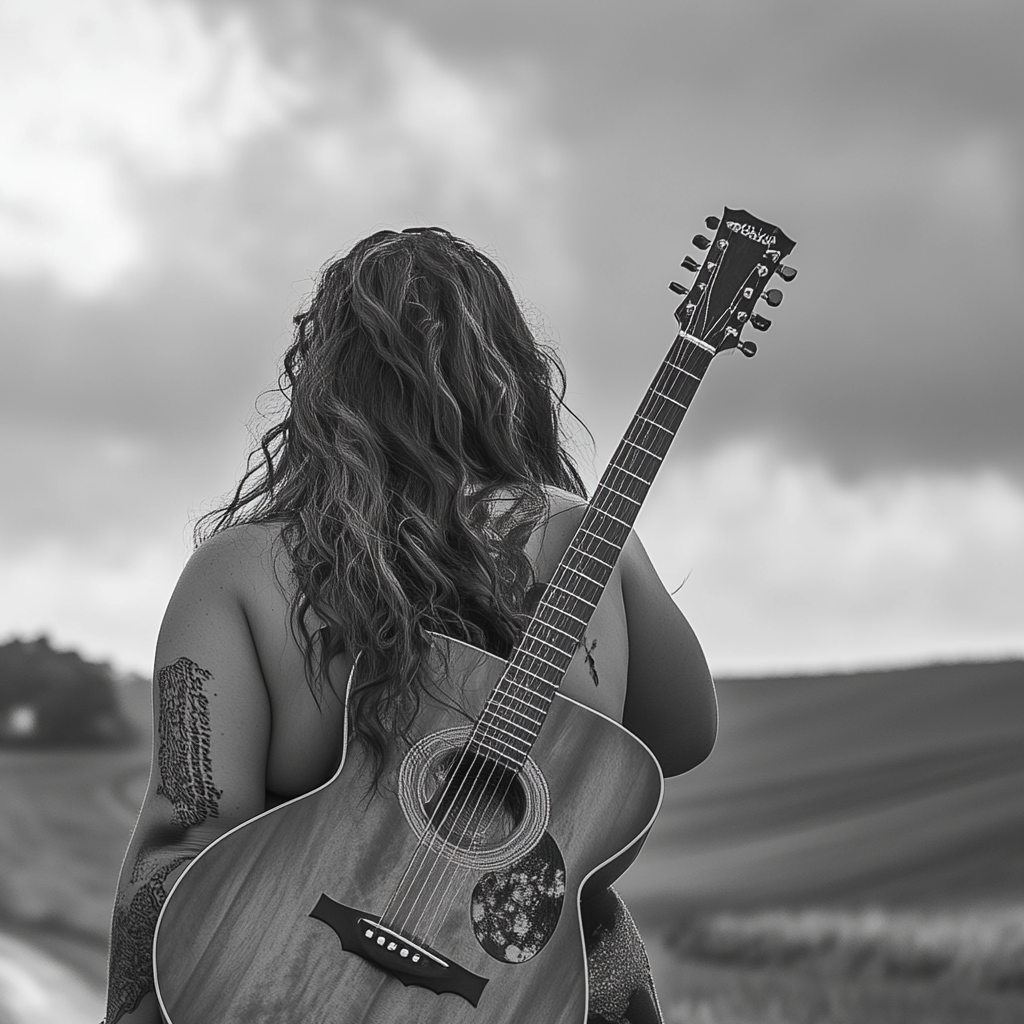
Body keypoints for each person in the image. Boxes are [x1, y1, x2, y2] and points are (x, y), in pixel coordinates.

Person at [102, 226, 717, 1024]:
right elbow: (680, 740)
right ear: (515, 374)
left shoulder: (240, 571)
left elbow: (182, 838)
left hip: (291, 989)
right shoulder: (587, 541)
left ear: (321, 383)